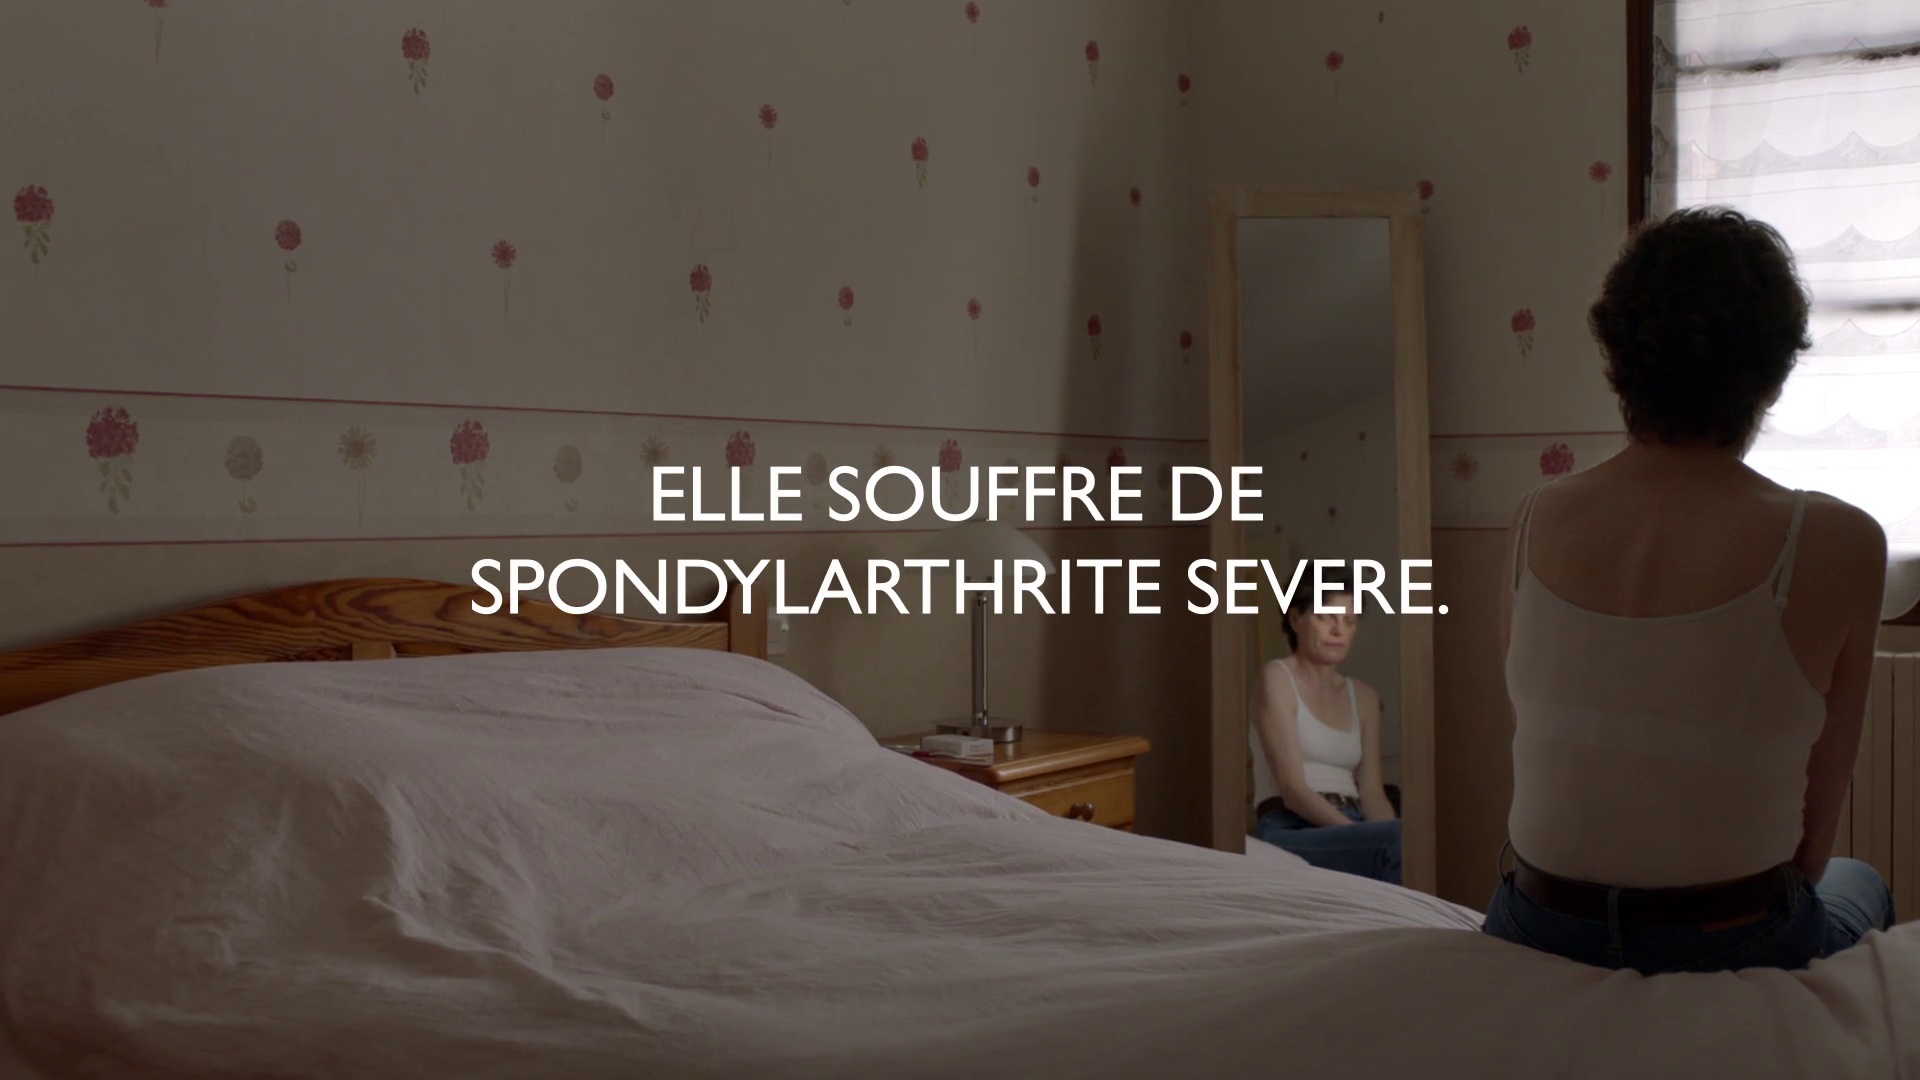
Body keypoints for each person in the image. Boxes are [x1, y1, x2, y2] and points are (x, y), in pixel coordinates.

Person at [1482, 206, 1897, 975]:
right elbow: (1810, 851)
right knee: (1860, 881)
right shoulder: (1839, 541)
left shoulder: (1534, 517)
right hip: (1729, 934)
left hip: (1535, 921)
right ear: (1773, 374)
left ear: (1617, 356)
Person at [1249, 570, 1402, 884]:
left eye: (1349, 621)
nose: (1338, 630)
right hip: (1289, 826)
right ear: (1295, 619)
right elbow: (1293, 790)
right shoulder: (1277, 678)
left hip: (1353, 820)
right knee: (1395, 841)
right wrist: (1365, 837)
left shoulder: (1364, 696)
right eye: (1325, 617)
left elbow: (1372, 792)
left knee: (1408, 842)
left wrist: (1380, 834)